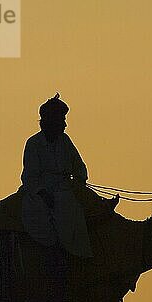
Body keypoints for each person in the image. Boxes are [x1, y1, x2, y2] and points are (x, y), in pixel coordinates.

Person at [21, 93, 118, 258]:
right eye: (62, 120)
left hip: (65, 188)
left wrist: (79, 181)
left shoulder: (65, 141)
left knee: (77, 203)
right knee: (55, 211)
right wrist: (43, 193)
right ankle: (62, 252)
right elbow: (30, 176)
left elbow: (79, 167)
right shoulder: (33, 144)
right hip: (40, 193)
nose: (65, 124)